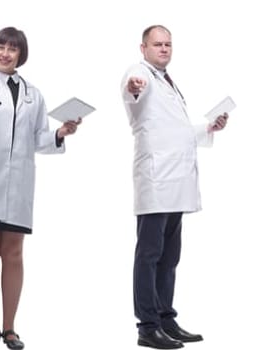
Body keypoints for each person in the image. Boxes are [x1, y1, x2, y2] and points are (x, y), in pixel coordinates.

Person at [0, 27, 80, 350]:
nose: (6, 53)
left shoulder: (33, 94)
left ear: (21, 54)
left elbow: (38, 138)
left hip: (18, 184)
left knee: (13, 254)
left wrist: (61, 133)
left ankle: (10, 329)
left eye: (13, 48)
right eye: (1, 46)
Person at [121, 24, 229, 350]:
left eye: (168, 44)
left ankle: (166, 318)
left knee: (169, 257)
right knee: (150, 254)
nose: (164, 48)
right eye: (157, 44)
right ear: (144, 48)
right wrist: (133, 86)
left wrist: (208, 127)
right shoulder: (139, 73)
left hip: (176, 183)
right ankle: (147, 326)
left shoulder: (166, 80)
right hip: (156, 182)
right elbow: (132, 91)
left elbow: (174, 130)